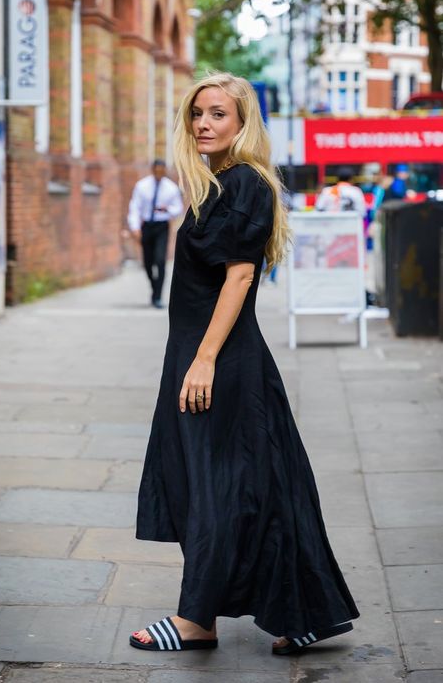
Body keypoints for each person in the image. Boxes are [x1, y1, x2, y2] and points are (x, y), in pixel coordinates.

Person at [130, 72, 359, 656]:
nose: (204, 124)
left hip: (221, 357)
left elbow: (239, 276)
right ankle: (301, 610)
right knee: (256, 482)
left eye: (217, 115)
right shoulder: (216, 183)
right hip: (200, 351)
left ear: (242, 123)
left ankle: (195, 620)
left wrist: (204, 359)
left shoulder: (245, 184)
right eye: (197, 114)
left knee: (216, 485)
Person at [128, 160, 183, 308]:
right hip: (146, 226)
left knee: (160, 260)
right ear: (152, 170)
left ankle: (158, 296)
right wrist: (135, 228)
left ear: (165, 171)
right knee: (147, 262)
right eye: (156, 170)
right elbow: (135, 207)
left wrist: (167, 210)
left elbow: (178, 208)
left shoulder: (171, 188)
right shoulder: (142, 186)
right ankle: (154, 287)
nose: (159, 173)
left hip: (162, 226)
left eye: (162, 171)